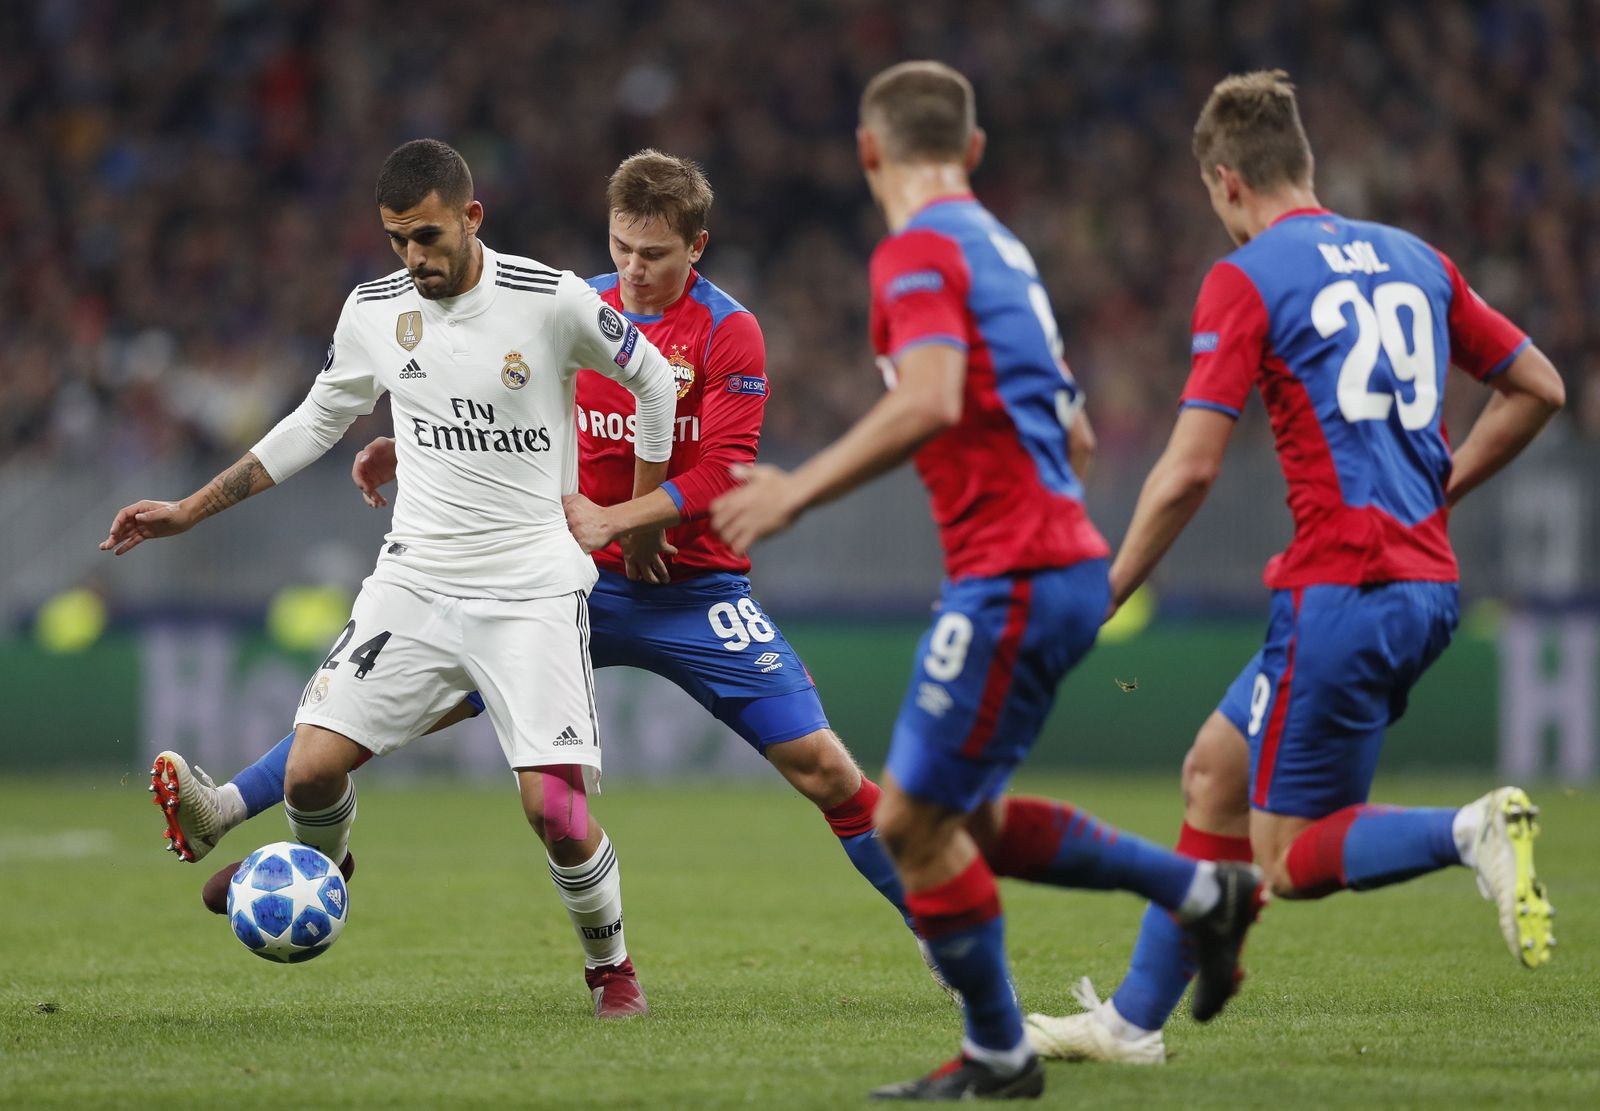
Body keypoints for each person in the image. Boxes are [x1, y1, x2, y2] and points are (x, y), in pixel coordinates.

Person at [147, 149, 925, 992]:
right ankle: (261, 832)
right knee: (360, 726)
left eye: (654, 254)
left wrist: (628, 521)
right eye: (622, 247)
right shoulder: (577, 302)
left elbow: (728, 470)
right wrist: (403, 444)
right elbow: (497, 407)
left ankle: (939, 922)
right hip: (564, 579)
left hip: (690, 589)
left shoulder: (727, 329)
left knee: (824, 768)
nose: (632, 268)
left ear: (695, 247)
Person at [710, 61, 1263, 1102]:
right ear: (970, 152)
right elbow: (1078, 432)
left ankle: (1024, 1032)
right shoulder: (1000, 248)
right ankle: (1176, 906)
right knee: (968, 821)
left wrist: (797, 492)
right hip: (1046, 562)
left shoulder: (916, 250)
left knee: (909, 826)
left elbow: (929, 398)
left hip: (1015, 572)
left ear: (869, 152)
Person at [1021, 70, 1564, 1067]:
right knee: (1212, 774)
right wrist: (1437, 489)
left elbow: (1186, 470)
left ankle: (1469, 829)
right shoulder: (1416, 259)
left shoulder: (1250, 273)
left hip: (1340, 588)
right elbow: (1538, 385)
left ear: (1225, 182)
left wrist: (1102, 593)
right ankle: (1132, 1026)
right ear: (1302, 165)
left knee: (1288, 856)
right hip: (1422, 585)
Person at [108, 138, 679, 1018]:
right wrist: (189, 507)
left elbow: (652, 381)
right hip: (414, 583)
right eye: (397, 240)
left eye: (428, 236)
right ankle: (320, 873)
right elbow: (315, 421)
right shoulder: (374, 310)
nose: (414, 258)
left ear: (471, 217)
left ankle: (613, 971)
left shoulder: (550, 299)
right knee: (307, 774)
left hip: (531, 589)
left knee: (555, 813)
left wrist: (639, 521)